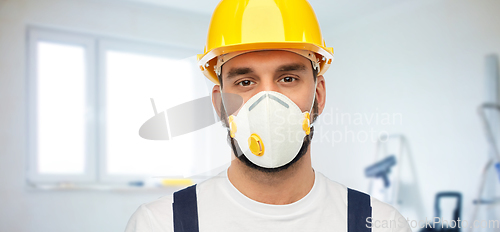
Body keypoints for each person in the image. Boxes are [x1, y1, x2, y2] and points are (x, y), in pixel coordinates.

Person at [125, 0, 412, 231]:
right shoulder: (160, 223)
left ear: (319, 96)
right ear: (220, 104)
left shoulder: (380, 224)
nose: (268, 101)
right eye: (245, 82)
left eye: (288, 78)